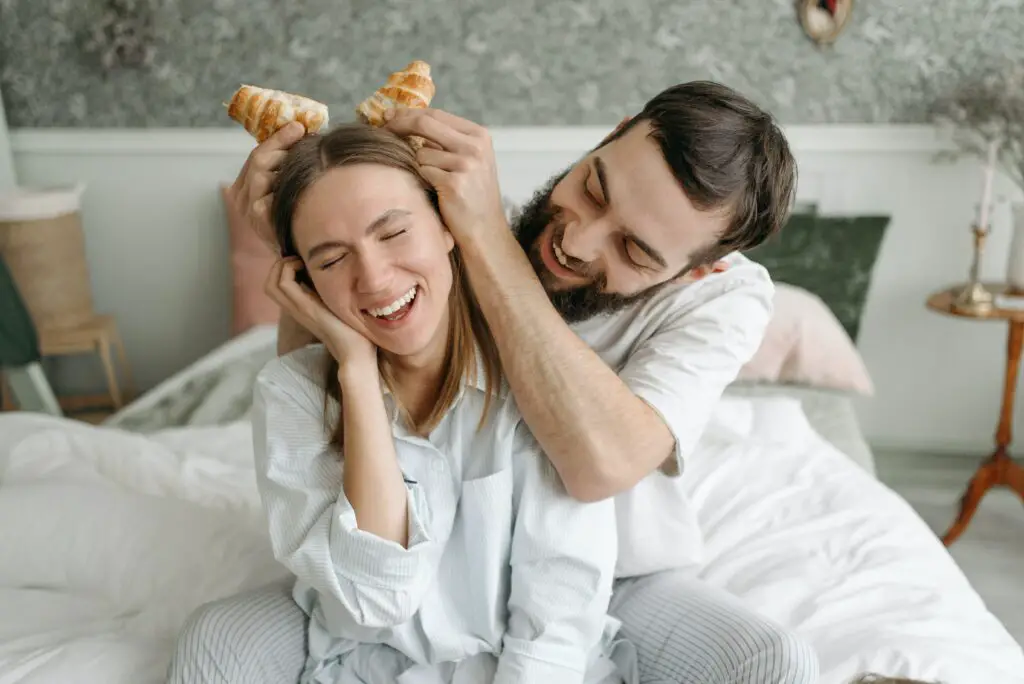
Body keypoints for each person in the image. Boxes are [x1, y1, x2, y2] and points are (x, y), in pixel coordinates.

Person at [167, 81, 819, 684]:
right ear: (613, 134)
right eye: (594, 188)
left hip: (621, 573)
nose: (578, 242)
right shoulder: (456, 207)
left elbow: (598, 468)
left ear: (696, 272)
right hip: (412, 552)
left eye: (635, 251)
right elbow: (321, 385)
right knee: (218, 641)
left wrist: (483, 236)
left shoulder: (723, 300)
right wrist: (299, 248)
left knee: (774, 662)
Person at [246, 122, 632, 683]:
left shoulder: (536, 387)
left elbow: (555, 624)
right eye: (331, 261)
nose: (374, 279)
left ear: (449, 226)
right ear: (304, 284)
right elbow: (374, 602)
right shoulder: (290, 394)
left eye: (394, 233)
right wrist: (355, 372)